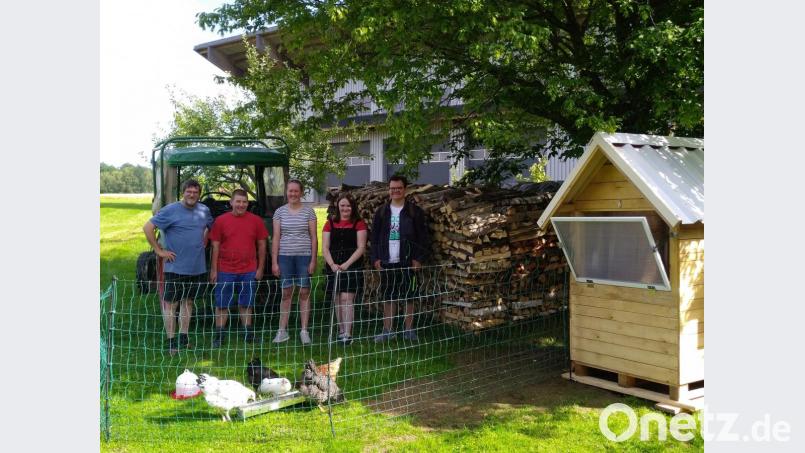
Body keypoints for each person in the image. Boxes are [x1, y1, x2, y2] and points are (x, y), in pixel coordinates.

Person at [143, 179, 213, 355]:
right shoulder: (170, 210)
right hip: (175, 266)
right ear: (183, 192)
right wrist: (159, 251)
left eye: (195, 192)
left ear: (199, 194)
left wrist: (204, 239)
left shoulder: (204, 210)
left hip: (197, 266)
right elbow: (148, 227)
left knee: (188, 302)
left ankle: (184, 338)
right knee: (171, 304)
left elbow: (210, 227)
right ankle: (171, 341)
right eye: (189, 192)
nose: (192, 195)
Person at [371, 175, 430, 342]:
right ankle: (388, 330)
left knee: (408, 296)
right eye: (392, 188)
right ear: (389, 190)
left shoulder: (414, 212)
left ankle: (408, 330)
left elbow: (423, 238)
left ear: (405, 189)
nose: (395, 191)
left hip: (407, 262)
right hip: (386, 261)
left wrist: (418, 258)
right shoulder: (382, 212)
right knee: (388, 296)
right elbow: (374, 238)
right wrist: (375, 258)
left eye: (398, 188)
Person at [208, 189, 268, 348]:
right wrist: (214, 270)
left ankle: (248, 334)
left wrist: (260, 268)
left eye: (244, 202)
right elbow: (215, 246)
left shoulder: (256, 221)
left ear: (248, 203)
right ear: (231, 203)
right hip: (225, 268)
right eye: (238, 201)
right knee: (221, 303)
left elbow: (262, 245)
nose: (241, 205)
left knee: (246, 303)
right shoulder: (221, 221)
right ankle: (219, 335)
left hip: (249, 268)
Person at [271, 179, 318, 345]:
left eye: (296, 191)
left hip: (304, 257)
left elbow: (314, 237)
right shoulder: (279, 212)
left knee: (304, 292)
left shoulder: (309, 212)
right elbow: (276, 237)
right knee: (286, 293)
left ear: (301, 193)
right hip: (284, 257)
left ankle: (304, 330)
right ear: (286, 192)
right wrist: (274, 262)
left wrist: (313, 260)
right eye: (290, 191)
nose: (293, 194)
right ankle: (282, 331)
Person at [322, 193, 367, 345]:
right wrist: (332, 264)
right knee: (337, 299)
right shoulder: (329, 223)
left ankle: (348, 333)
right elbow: (325, 248)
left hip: (352, 265)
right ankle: (340, 331)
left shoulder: (359, 223)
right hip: (333, 266)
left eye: (348, 205)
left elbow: (361, 248)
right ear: (338, 207)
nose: (345, 208)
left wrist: (347, 264)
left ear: (352, 207)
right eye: (342, 205)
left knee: (347, 299)